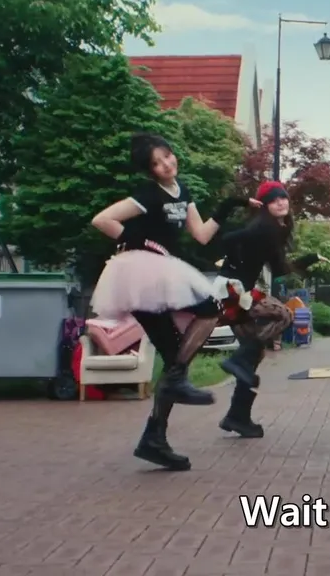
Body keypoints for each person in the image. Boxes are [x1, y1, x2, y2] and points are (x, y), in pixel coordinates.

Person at [89, 132, 251, 470]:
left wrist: (229, 206)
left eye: (167, 156)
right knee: (206, 314)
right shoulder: (148, 194)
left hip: (162, 273)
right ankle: (172, 392)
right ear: (149, 170)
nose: (166, 164)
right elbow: (102, 220)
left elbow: (201, 235)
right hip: (140, 275)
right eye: (156, 163)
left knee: (176, 353)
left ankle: (154, 438)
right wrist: (137, 240)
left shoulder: (183, 191)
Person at [212, 180, 325, 438]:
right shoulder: (263, 227)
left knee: (253, 356)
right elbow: (227, 239)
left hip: (234, 290)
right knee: (283, 314)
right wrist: (235, 262)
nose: (280, 202)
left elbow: (280, 269)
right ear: (264, 206)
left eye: (283, 197)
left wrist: (310, 258)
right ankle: (239, 362)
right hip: (233, 290)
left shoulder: (273, 230)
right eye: (273, 200)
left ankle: (237, 416)